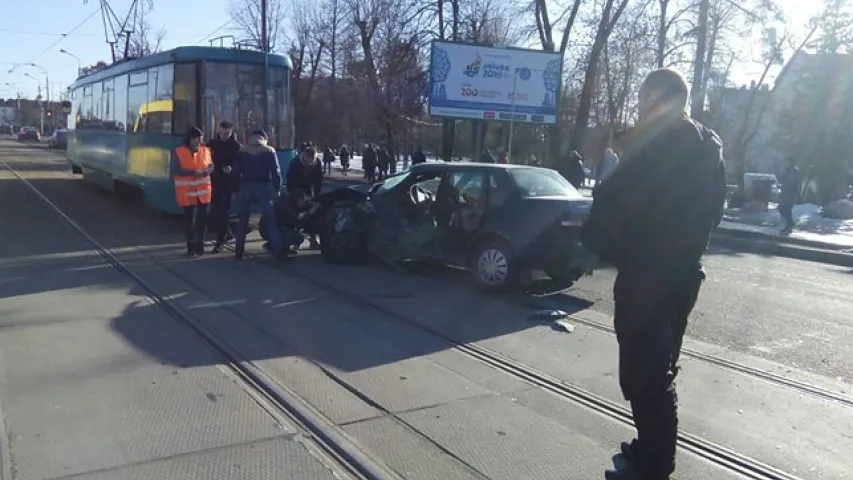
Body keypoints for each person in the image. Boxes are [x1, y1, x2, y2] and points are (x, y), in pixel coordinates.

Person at [580, 68, 726, 480]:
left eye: (646, 100)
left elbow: (613, 204)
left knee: (643, 375)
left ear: (654, 103)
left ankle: (655, 467)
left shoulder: (654, 146)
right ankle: (649, 450)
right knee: (659, 367)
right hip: (683, 274)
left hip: (647, 273)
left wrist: (600, 242)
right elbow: (715, 211)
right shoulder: (707, 147)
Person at [232, 129, 285, 260]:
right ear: (264, 138)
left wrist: (236, 189)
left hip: (245, 187)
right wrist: (276, 188)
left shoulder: (243, 150)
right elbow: (276, 172)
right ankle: (278, 251)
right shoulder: (269, 151)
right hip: (262, 188)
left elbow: (235, 171)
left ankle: (238, 251)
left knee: (243, 221)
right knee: (271, 220)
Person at [174, 127, 214, 256]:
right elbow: (175, 170)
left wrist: (209, 170)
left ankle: (200, 243)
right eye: (197, 139)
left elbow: (211, 165)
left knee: (202, 218)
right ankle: (190, 244)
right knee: (189, 219)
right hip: (188, 191)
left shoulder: (206, 150)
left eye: (201, 139)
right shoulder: (179, 152)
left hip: (203, 191)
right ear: (190, 139)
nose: (199, 142)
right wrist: (192, 172)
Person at [207, 121, 242, 253]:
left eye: (226, 133)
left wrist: (232, 168)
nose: (223, 135)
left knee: (223, 211)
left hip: (228, 183)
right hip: (213, 182)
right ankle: (226, 234)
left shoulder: (236, 147)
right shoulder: (212, 144)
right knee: (215, 211)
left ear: (231, 132)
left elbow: (240, 164)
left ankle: (220, 241)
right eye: (221, 132)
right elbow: (205, 158)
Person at [286, 145, 324, 248]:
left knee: (313, 212)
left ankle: (313, 239)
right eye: (309, 160)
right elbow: (290, 181)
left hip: (309, 190)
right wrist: (296, 195)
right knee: (296, 215)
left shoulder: (317, 163)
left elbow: (319, 180)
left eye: (313, 160)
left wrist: (317, 196)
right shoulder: (295, 163)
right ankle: (295, 239)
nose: (310, 162)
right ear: (305, 156)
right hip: (296, 190)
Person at [778, 158, 801, 235]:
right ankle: (789, 225)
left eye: (787, 162)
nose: (785, 163)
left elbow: (793, 184)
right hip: (785, 194)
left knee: (785, 209)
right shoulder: (787, 171)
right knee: (782, 209)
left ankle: (789, 225)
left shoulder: (794, 172)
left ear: (791, 163)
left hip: (790, 195)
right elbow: (782, 180)